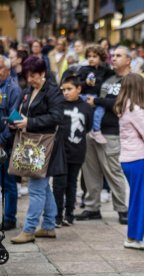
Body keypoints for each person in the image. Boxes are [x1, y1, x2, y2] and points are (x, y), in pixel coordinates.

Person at [10, 56, 65, 244]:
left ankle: (29, 229)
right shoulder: (28, 91)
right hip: (33, 144)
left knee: (36, 188)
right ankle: (49, 226)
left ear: (42, 73)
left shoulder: (52, 91)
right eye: (28, 75)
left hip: (45, 145)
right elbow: (26, 112)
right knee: (42, 187)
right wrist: (17, 121)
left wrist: (29, 122)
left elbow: (57, 117)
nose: (30, 79)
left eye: (33, 75)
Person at [75, 46, 130, 224]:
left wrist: (97, 101)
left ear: (128, 60)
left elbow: (120, 104)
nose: (113, 58)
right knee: (90, 172)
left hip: (111, 132)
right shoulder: (108, 76)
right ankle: (92, 207)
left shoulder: (131, 80)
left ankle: (122, 209)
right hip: (90, 129)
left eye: (118, 56)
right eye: (112, 55)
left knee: (113, 172)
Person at [114, 73, 144, 250]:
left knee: (141, 197)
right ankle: (133, 238)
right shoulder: (135, 109)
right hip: (136, 158)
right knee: (140, 199)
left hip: (128, 158)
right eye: (143, 86)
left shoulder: (123, 106)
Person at [52, 75, 92, 227]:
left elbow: (87, 127)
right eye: (63, 90)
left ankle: (69, 214)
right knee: (58, 183)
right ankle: (56, 215)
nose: (66, 93)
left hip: (77, 150)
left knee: (71, 183)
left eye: (69, 89)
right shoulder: (58, 105)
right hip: (60, 151)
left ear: (79, 89)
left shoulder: (86, 107)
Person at [0, 55, 22, 231]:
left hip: (6, 143)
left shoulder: (13, 88)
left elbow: (14, 117)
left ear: (7, 69)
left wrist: (2, 139)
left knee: (8, 183)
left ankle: (9, 218)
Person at [77, 44, 114, 144]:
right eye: (89, 56)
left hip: (97, 98)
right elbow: (76, 85)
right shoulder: (83, 69)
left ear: (101, 58)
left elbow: (114, 74)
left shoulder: (104, 70)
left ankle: (95, 130)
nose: (91, 59)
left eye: (94, 56)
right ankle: (94, 130)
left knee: (100, 110)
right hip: (84, 96)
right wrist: (86, 83)